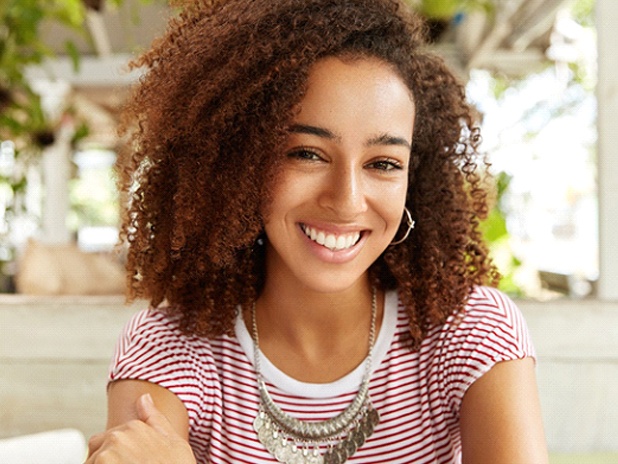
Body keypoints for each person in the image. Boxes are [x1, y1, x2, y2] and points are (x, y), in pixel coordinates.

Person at [86, 0, 549, 462]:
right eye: (307, 153)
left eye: (383, 163)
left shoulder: (470, 332)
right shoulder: (170, 347)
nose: (347, 200)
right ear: (238, 159)